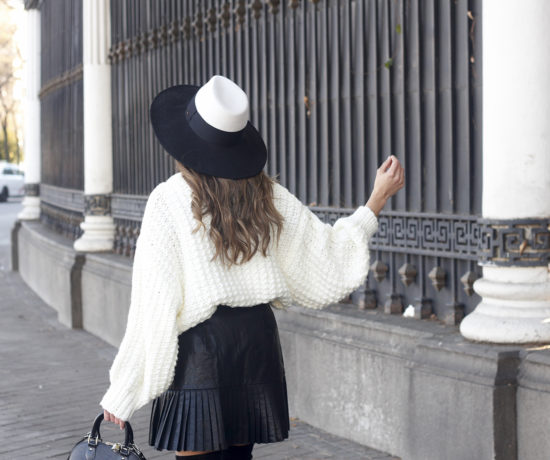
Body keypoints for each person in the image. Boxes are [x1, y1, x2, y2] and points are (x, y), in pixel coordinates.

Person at [99, 75, 404, 459]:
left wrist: (125, 387)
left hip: (201, 354)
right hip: (256, 346)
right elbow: (327, 253)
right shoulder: (266, 194)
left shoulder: (168, 200)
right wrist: (376, 199)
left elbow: (154, 303)